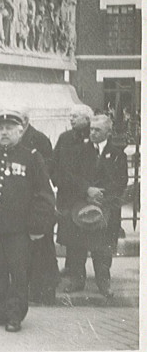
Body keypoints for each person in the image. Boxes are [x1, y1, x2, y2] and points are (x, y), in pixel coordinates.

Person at [0, 110, 55, 333]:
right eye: (0, 128)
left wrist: (37, 226)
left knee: (18, 273)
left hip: (18, 230)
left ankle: (15, 316)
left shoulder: (31, 157)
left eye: (9, 128)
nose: (4, 132)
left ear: (20, 131)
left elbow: (44, 195)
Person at [57, 115, 127, 298]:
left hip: (105, 207)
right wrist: (87, 190)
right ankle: (77, 280)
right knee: (77, 245)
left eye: (98, 130)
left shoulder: (118, 154)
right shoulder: (79, 151)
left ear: (108, 133)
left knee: (103, 248)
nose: (93, 133)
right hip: (80, 204)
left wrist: (101, 196)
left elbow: (120, 182)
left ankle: (104, 282)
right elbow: (69, 176)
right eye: (92, 129)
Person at [18, 109, 59, 305]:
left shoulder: (39, 139)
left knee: (43, 247)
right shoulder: (9, 141)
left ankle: (46, 290)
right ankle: (31, 288)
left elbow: (48, 166)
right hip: (21, 203)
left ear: (25, 121)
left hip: (38, 201)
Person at [52, 104, 94, 275]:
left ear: (86, 119)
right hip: (65, 192)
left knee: (79, 233)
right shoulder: (65, 137)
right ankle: (70, 266)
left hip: (81, 194)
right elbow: (54, 162)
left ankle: (78, 271)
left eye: (75, 116)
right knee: (68, 232)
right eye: (70, 116)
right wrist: (56, 180)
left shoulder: (91, 137)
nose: (71, 119)